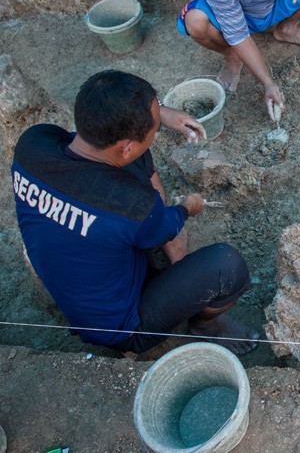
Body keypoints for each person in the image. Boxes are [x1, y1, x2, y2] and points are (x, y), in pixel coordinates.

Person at [11, 70, 258, 355]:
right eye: (153, 131)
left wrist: (160, 114)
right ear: (126, 145)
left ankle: (167, 260)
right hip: (123, 327)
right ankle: (204, 326)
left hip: (87, 275)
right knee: (227, 265)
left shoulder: (33, 143)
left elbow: (101, 140)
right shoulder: (134, 208)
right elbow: (167, 223)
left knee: (136, 164)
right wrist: (189, 206)